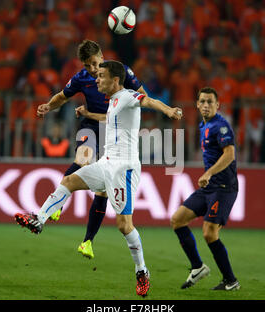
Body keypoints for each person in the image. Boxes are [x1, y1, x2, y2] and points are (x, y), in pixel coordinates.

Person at [15, 60, 183, 296]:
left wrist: (168, 110)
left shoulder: (127, 96)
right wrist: (88, 113)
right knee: (69, 181)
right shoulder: (114, 101)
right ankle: (39, 219)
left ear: (115, 80)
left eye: (101, 76)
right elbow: (109, 119)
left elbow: (148, 101)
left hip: (123, 169)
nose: (96, 80)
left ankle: (141, 270)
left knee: (124, 226)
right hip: (106, 163)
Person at [31, 40, 147, 260]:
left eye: (95, 64)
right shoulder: (81, 78)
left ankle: (87, 242)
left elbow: (142, 96)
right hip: (92, 126)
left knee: (102, 191)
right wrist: (48, 106)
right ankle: (58, 204)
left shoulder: (120, 72)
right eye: (87, 66)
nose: (92, 70)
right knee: (84, 159)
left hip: (114, 131)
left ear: (102, 56)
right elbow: (62, 96)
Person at [170, 87, 240, 291]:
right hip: (209, 188)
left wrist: (208, 173)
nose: (206, 105)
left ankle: (231, 280)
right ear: (197, 105)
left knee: (209, 233)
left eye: (210, 102)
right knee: (177, 220)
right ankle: (197, 267)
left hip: (224, 188)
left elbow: (229, 155)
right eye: (203, 101)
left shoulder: (222, 126)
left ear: (218, 105)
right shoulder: (203, 125)